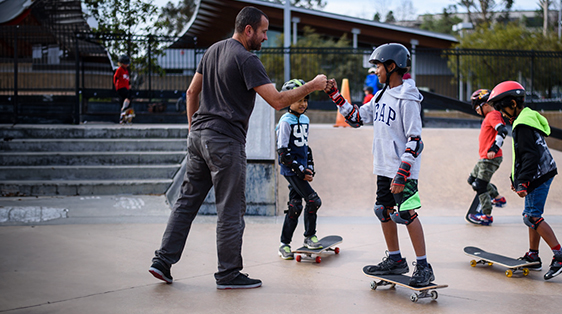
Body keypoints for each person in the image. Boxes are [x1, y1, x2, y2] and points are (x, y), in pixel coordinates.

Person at [148, 6, 327, 290]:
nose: (266, 37)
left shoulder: (212, 51)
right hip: (225, 143)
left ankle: (162, 261)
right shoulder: (247, 59)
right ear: (248, 30)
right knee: (230, 210)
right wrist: (312, 85)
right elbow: (278, 101)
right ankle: (228, 274)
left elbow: (191, 92)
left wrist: (193, 128)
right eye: (264, 31)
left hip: (199, 139)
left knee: (185, 204)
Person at [324, 43, 434, 287]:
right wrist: (335, 96)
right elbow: (355, 118)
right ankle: (395, 260)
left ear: (392, 66)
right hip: (384, 167)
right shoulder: (382, 95)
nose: (375, 71)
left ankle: (424, 266)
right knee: (382, 211)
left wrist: (402, 173)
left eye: (378, 66)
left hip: (402, 171)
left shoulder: (408, 99)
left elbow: (415, 140)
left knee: (406, 214)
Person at [488, 81, 562, 280]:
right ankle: (533, 255)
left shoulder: (522, 125)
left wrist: (523, 181)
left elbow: (529, 156)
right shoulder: (526, 119)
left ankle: (561, 255)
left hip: (538, 174)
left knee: (532, 217)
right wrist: (517, 177)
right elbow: (522, 154)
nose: (502, 113)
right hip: (540, 173)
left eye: (502, 108)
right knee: (531, 215)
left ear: (512, 103)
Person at [276, 78, 323, 260]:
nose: (303, 104)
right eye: (298, 100)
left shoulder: (305, 119)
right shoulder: (285, 121)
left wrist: (310, 166)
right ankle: (309, 237)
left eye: (305, 99)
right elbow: (283, 153)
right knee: (313, 201)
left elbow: (305, 147)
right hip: (291, 170)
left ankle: (284, 244)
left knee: (295, 207)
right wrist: (300, 171)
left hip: (302, 168)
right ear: (289, 100)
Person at [466, 88, 508, 225]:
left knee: (480, 185)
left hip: (490, 158)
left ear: (485, 105)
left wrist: (494, 148)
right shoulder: (489, 117)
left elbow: (502, 130)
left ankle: (486, 215)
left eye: (477, 108)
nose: (476, 111)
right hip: (483, 158)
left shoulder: (493, 115)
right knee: (472, 179)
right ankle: (497, 197)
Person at [113, 54, 134, 124]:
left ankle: (124, 116)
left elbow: (128, 79)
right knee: (128, 96)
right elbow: (115, 77)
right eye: (125, 63)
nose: (127, 65)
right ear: (122, 63)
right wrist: (115, 86)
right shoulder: (119, 70)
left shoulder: (126, 71)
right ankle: (124, 108)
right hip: (121, 88)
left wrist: (130, 85)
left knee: (127, 100)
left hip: (126, 87)